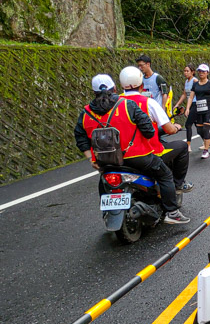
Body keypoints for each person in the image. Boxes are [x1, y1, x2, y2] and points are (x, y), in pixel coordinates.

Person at [74, 74, 190, 224]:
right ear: (115, 88)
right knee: (165, 175)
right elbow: (148, 131)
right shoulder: (127, 105)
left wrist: (91, 158)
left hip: (105, 161)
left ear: (94, 91)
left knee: (104, 181)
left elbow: (80, 137)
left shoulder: (86, 112)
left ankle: (107, 213)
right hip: (137, 157)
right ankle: (172, 213)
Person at [119, 66, 194, 194]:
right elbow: (169, 129)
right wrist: (175, 127)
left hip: (119, 156)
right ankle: (178, 187)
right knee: (181, 147)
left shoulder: (115, 103)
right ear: (142, 85)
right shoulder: (148, 102)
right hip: (146, 153)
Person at [186, 63, 210, 159]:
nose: (201, 73)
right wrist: (187, 108)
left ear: (207, 72)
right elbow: (191, 97)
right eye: (199, 71)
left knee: (205, 129)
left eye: (203, 71)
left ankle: (206, 150)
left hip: (209, 110)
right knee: (199, 130)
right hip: (199, 109)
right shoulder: (195, 84)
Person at [172, 64, 197, 151]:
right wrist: (177, 104)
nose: (185, 73)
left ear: (192, 72)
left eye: (187, 71)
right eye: (184, 71)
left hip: (195, 105)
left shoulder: (195, 80)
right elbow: (184, 94)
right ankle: (208, 142)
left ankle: (188, 145)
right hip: (190, 105)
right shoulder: (187, 82)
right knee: (198, 125)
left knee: (188, 125)